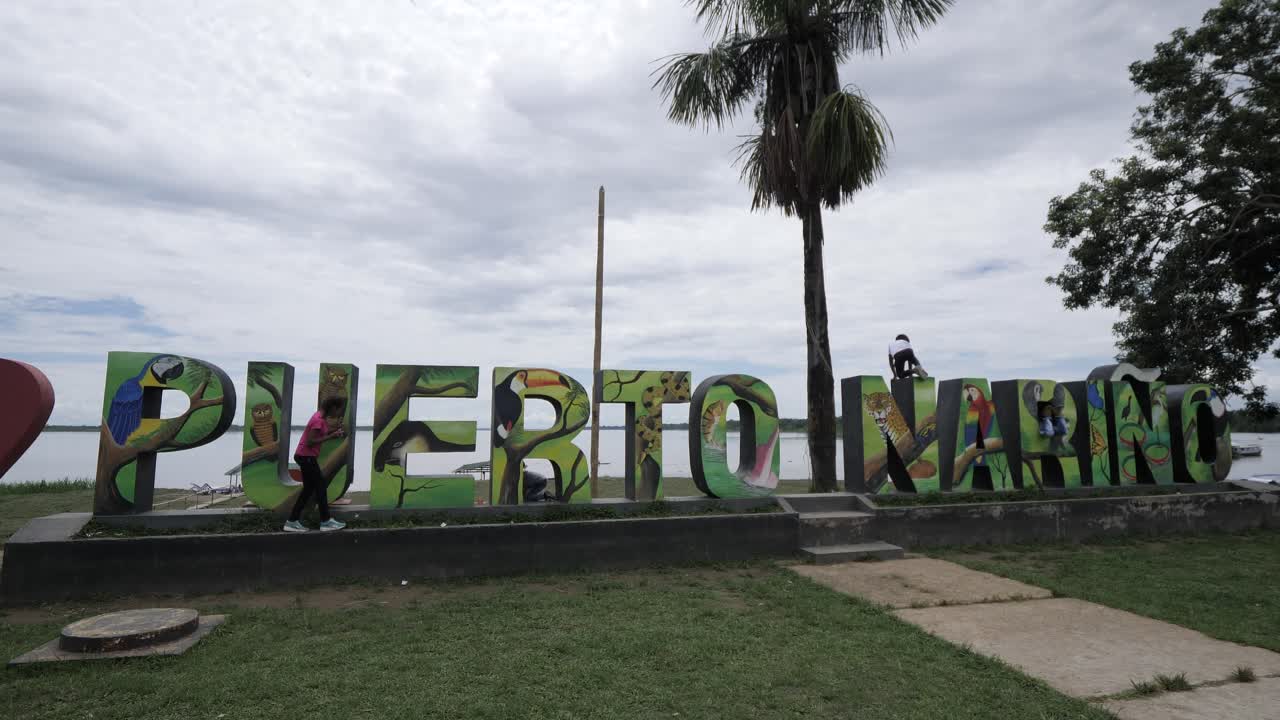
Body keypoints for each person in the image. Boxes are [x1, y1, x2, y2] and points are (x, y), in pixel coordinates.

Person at [283, 397, 348, 533]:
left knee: (308, 490)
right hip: (306, 457)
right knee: (320, 487)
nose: (338, 413)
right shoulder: (318, 421)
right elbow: (310, 442)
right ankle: (325, 521)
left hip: (305, 457)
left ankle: (292, 521)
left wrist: (333, 433)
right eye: (338, 410)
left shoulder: (319, 417)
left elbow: (319, 435)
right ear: (333, 408)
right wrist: (330, 437)